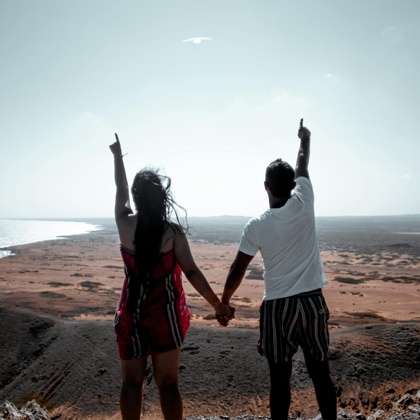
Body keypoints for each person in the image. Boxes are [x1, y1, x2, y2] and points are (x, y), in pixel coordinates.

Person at [110, 134, 233, 420]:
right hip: (166, 317)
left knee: (131, 384)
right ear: (161, 198)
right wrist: (217, 305)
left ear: (137, 198)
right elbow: (191, 271)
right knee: (168, 385)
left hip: (132, 314)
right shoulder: (172, 233)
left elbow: (121, 189)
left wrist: (117, 157)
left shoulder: (124, 224)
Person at [220, 120, 337, 419]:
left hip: (277, 308)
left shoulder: (256, 226)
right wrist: (305, 139)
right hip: (311, 302)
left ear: (266, 187)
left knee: (279, 381)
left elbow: (238, 268)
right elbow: (302, 164)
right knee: (321, 374)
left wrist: (224, 301)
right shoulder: (305, 201)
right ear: (293, 185)